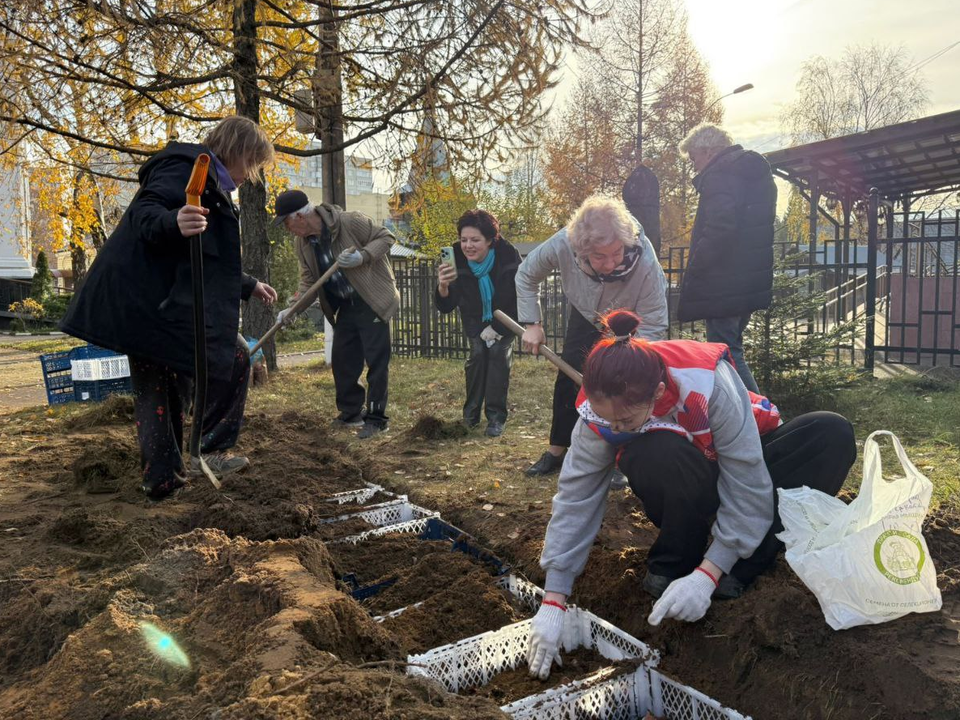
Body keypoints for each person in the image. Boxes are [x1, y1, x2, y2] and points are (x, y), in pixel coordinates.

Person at [526, 310, 856, 680]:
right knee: (652, 453)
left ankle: (737, 567)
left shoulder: (707, 382)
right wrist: (553, 599)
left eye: (625, 422)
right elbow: (576, 497)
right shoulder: (598, 411)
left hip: (744, 464)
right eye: (608, 421)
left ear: (659, 393)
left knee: (831, 432)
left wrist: (709, 574)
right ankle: (677, 562)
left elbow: (746, 480)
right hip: (689, 477)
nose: (613, 428)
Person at [60, 116, 278, 500]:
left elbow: (206, 258)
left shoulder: (211, 184)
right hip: (146, 305)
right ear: (235, 150)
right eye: (252, 162)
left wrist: (248, 284)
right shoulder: (184, 169)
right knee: (162, 386)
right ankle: (165, 478)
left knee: (232, 359)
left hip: (165, 306)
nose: (251, 173)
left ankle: (201, 453)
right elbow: (146, 212)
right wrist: (172, 220)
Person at [516, 195, 668, 477]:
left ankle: (620, 457)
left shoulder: (645, 261)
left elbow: (655, 321)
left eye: (616, 253)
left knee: (624, 384)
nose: (610, 263)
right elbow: (526, 275)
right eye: (599, 256)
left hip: (628, 318)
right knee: (569, 375)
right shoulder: (563, 242)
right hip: (586, 312)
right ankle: (557, 450)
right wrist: (532, 323)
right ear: (582, 249)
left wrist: (638, 362)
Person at [273, 189, 399, 439]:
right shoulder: (304, 243)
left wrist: (362, 257)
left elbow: (386, 237)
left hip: (372, 298)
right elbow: (309, 281)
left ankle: (376, 419)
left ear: (299, 216)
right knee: (343, 359)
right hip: (346, 304)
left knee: (376, 360)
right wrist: (293, 309)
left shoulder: (349, 221)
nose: (287, 229)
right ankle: (351, 412)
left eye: (286, 222)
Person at [677, 123, 777, 393]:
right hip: (746, 279)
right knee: (732, 348)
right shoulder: (752, 173)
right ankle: (755, 417)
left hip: (723, 282)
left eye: (694, 157)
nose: (694, 165)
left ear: (708, 151)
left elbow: (720, 228)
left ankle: (760, 419)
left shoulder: (721, 175)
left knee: (726, 354)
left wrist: (696, 265)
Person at [435, 209, 521, 437]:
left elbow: (518, 299)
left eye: (475, 240)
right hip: (474, 316)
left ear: (491, 240)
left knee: (497, 355)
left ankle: (495, 417)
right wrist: (443, 287)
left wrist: (497, 328)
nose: (468, 246)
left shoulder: (508, 256)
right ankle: (470, 416)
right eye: (464, 240)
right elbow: (447, 305)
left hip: (506, 316)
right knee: (478, 355)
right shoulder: (454, 256)